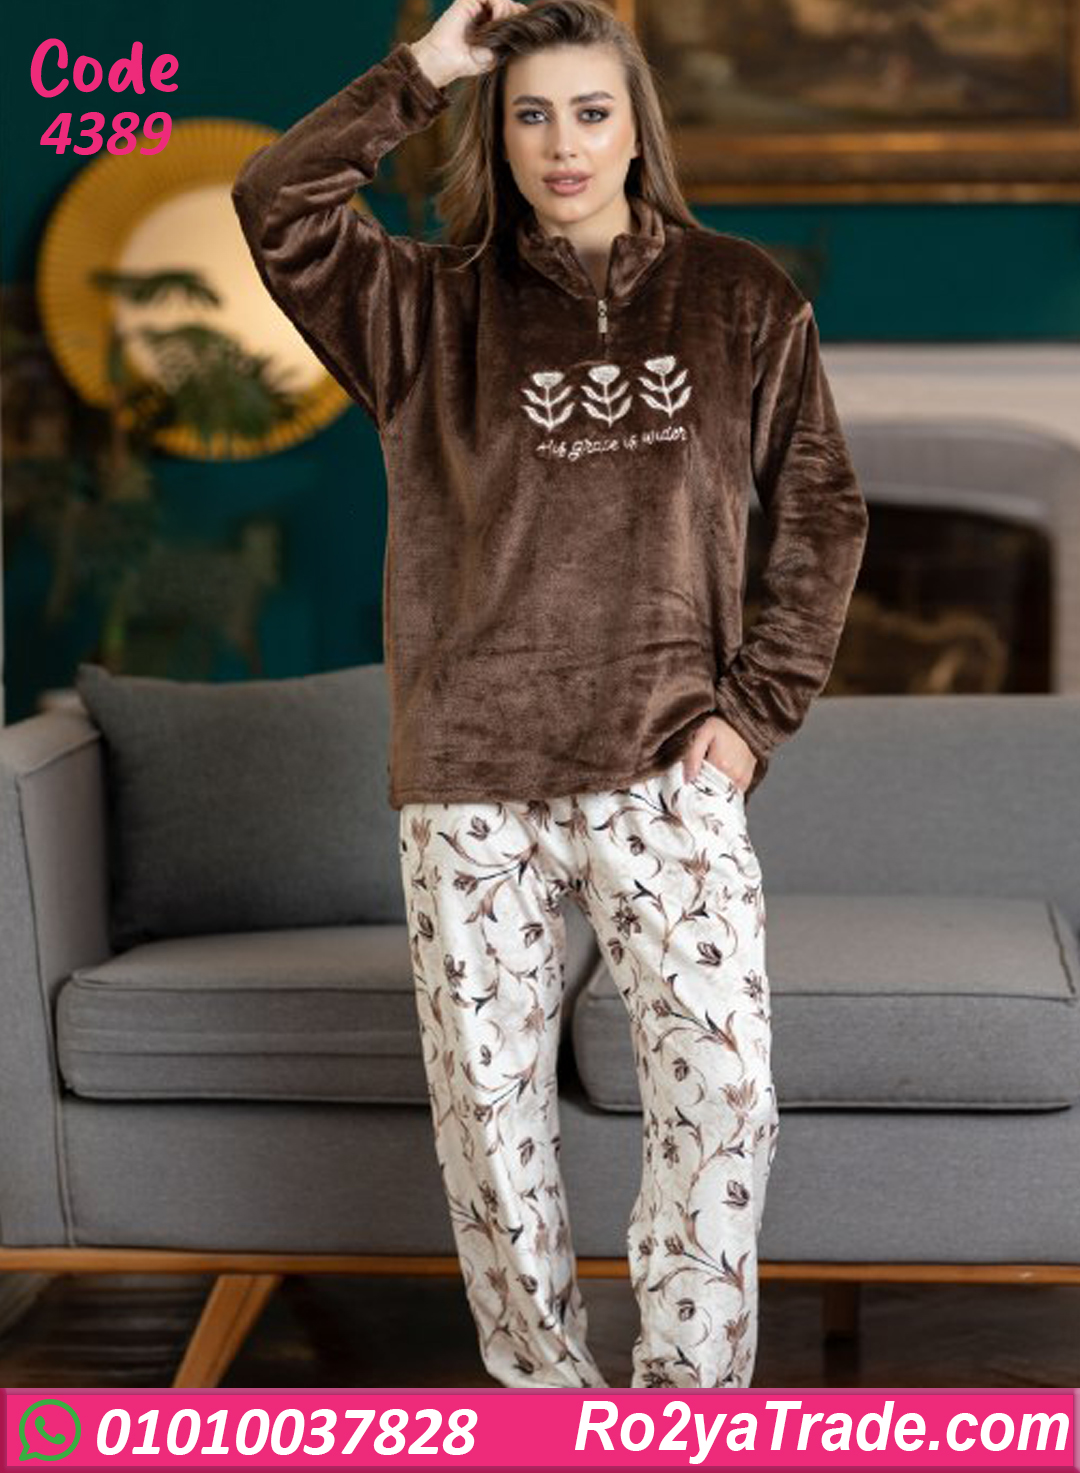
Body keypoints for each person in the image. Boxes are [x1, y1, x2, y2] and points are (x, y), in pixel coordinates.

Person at [232, 0, 869, 1390]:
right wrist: (424, 69)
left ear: (637, 127)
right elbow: (275, 202)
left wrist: (752, 718)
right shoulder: (418, 307)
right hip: (470, 777)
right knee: (491, 1127)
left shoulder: (740, 295)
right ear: (497, 136)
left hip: (669, 768)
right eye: (530, 114)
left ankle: (684, 1407)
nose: (563, 144)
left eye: (590, 111)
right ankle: (545, 1410)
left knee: (727, 1094)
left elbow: (822, 509)